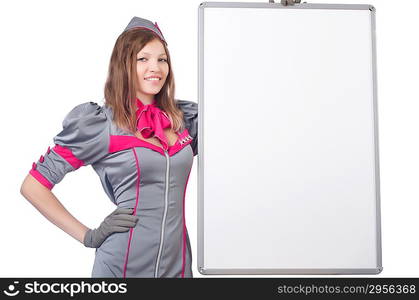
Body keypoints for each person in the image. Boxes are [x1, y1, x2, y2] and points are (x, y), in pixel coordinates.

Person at [20, 16, 198, 278]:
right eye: (143, 59)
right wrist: (89, 236)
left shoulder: (185, 119)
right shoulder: (101, 125)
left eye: (162, 59)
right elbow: (33, 186)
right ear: (123, 64)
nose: (156, 67)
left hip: (178, 266)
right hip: (121, 267)